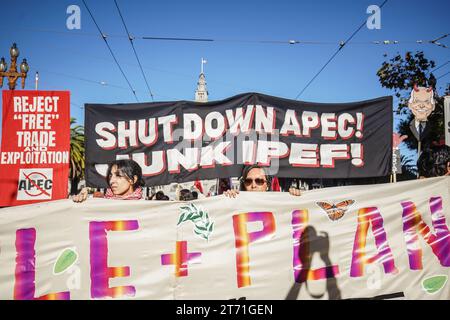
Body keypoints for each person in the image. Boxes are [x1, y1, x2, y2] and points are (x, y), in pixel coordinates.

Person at [72, 159, 145, 202]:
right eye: (110, 176)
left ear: (133, 180)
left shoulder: (147, 209)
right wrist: (83, 201)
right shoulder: (101, 203)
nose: (111, 181)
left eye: (118, 175)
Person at [224, 164, 301, 198]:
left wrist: (295, 199)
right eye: (248, 181)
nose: (253, 186)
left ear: (267, 185)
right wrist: (227, 200)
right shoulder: (236, 203)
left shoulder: (278, 204)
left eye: (259, 181)